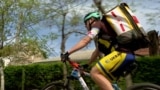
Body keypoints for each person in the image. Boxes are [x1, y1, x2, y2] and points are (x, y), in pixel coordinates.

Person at [61, 11, 135, 90]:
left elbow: (85, 41)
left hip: (122, 54)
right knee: (102, 84)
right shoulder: (102, 36)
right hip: (125, 56)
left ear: (91, 20)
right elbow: (96, 52)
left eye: (86, 23)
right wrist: (87, 64)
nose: (85, 26)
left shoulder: (97, 24)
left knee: (94, 73)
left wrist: (67, 53)